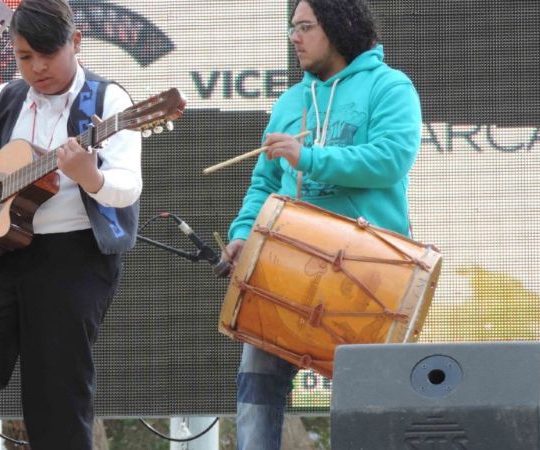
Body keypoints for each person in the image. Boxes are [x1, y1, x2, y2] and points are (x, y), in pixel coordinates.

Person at [0, 0, 142, 447]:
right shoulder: (5, 97)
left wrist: (90, 176)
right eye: (24, 57)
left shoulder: (109, 101)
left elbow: (127, 186)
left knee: (55, 398)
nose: (36, 68)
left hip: (73, 260)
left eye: (47, 54)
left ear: (76, 42)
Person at [223, 0, 422, 449]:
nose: (295, 37)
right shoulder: (291, 102)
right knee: (258, 377)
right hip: (288, 263)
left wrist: (308, 158)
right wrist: (241, 237)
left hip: (368, 268)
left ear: (336, 27)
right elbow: (264, 185)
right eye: (292, 28)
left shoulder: (389, 86)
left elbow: (390, 160)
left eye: (305, 27)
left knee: (368, 398)